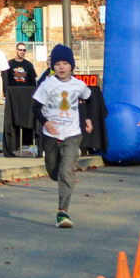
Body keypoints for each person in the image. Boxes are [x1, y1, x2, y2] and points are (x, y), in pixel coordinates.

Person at [34, 44, 92, 229]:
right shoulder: (48, 84)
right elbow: (35, 107)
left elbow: (90, 99)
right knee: (54, 171)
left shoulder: (78, 85)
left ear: (71, 66)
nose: (61, 67)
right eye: (58, 63)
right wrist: (45, 122)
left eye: (65, 63)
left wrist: (88, 118)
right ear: (53, 66)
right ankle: (59, 175)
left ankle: (62, 212)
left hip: (72, 134)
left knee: (66, 171)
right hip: (51, 134)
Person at [3, 43, 39, 157]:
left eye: (24, 50)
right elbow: (6, 80)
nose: (22, 52)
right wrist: (5, 92)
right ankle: (14, 145)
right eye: (20, 49)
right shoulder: (10, 64)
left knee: (27, 119)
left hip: (27, 97)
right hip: (13, 96)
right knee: (13, 120)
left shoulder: (28, 65)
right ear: (16, 50)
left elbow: (33, 82)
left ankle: (27, 144)